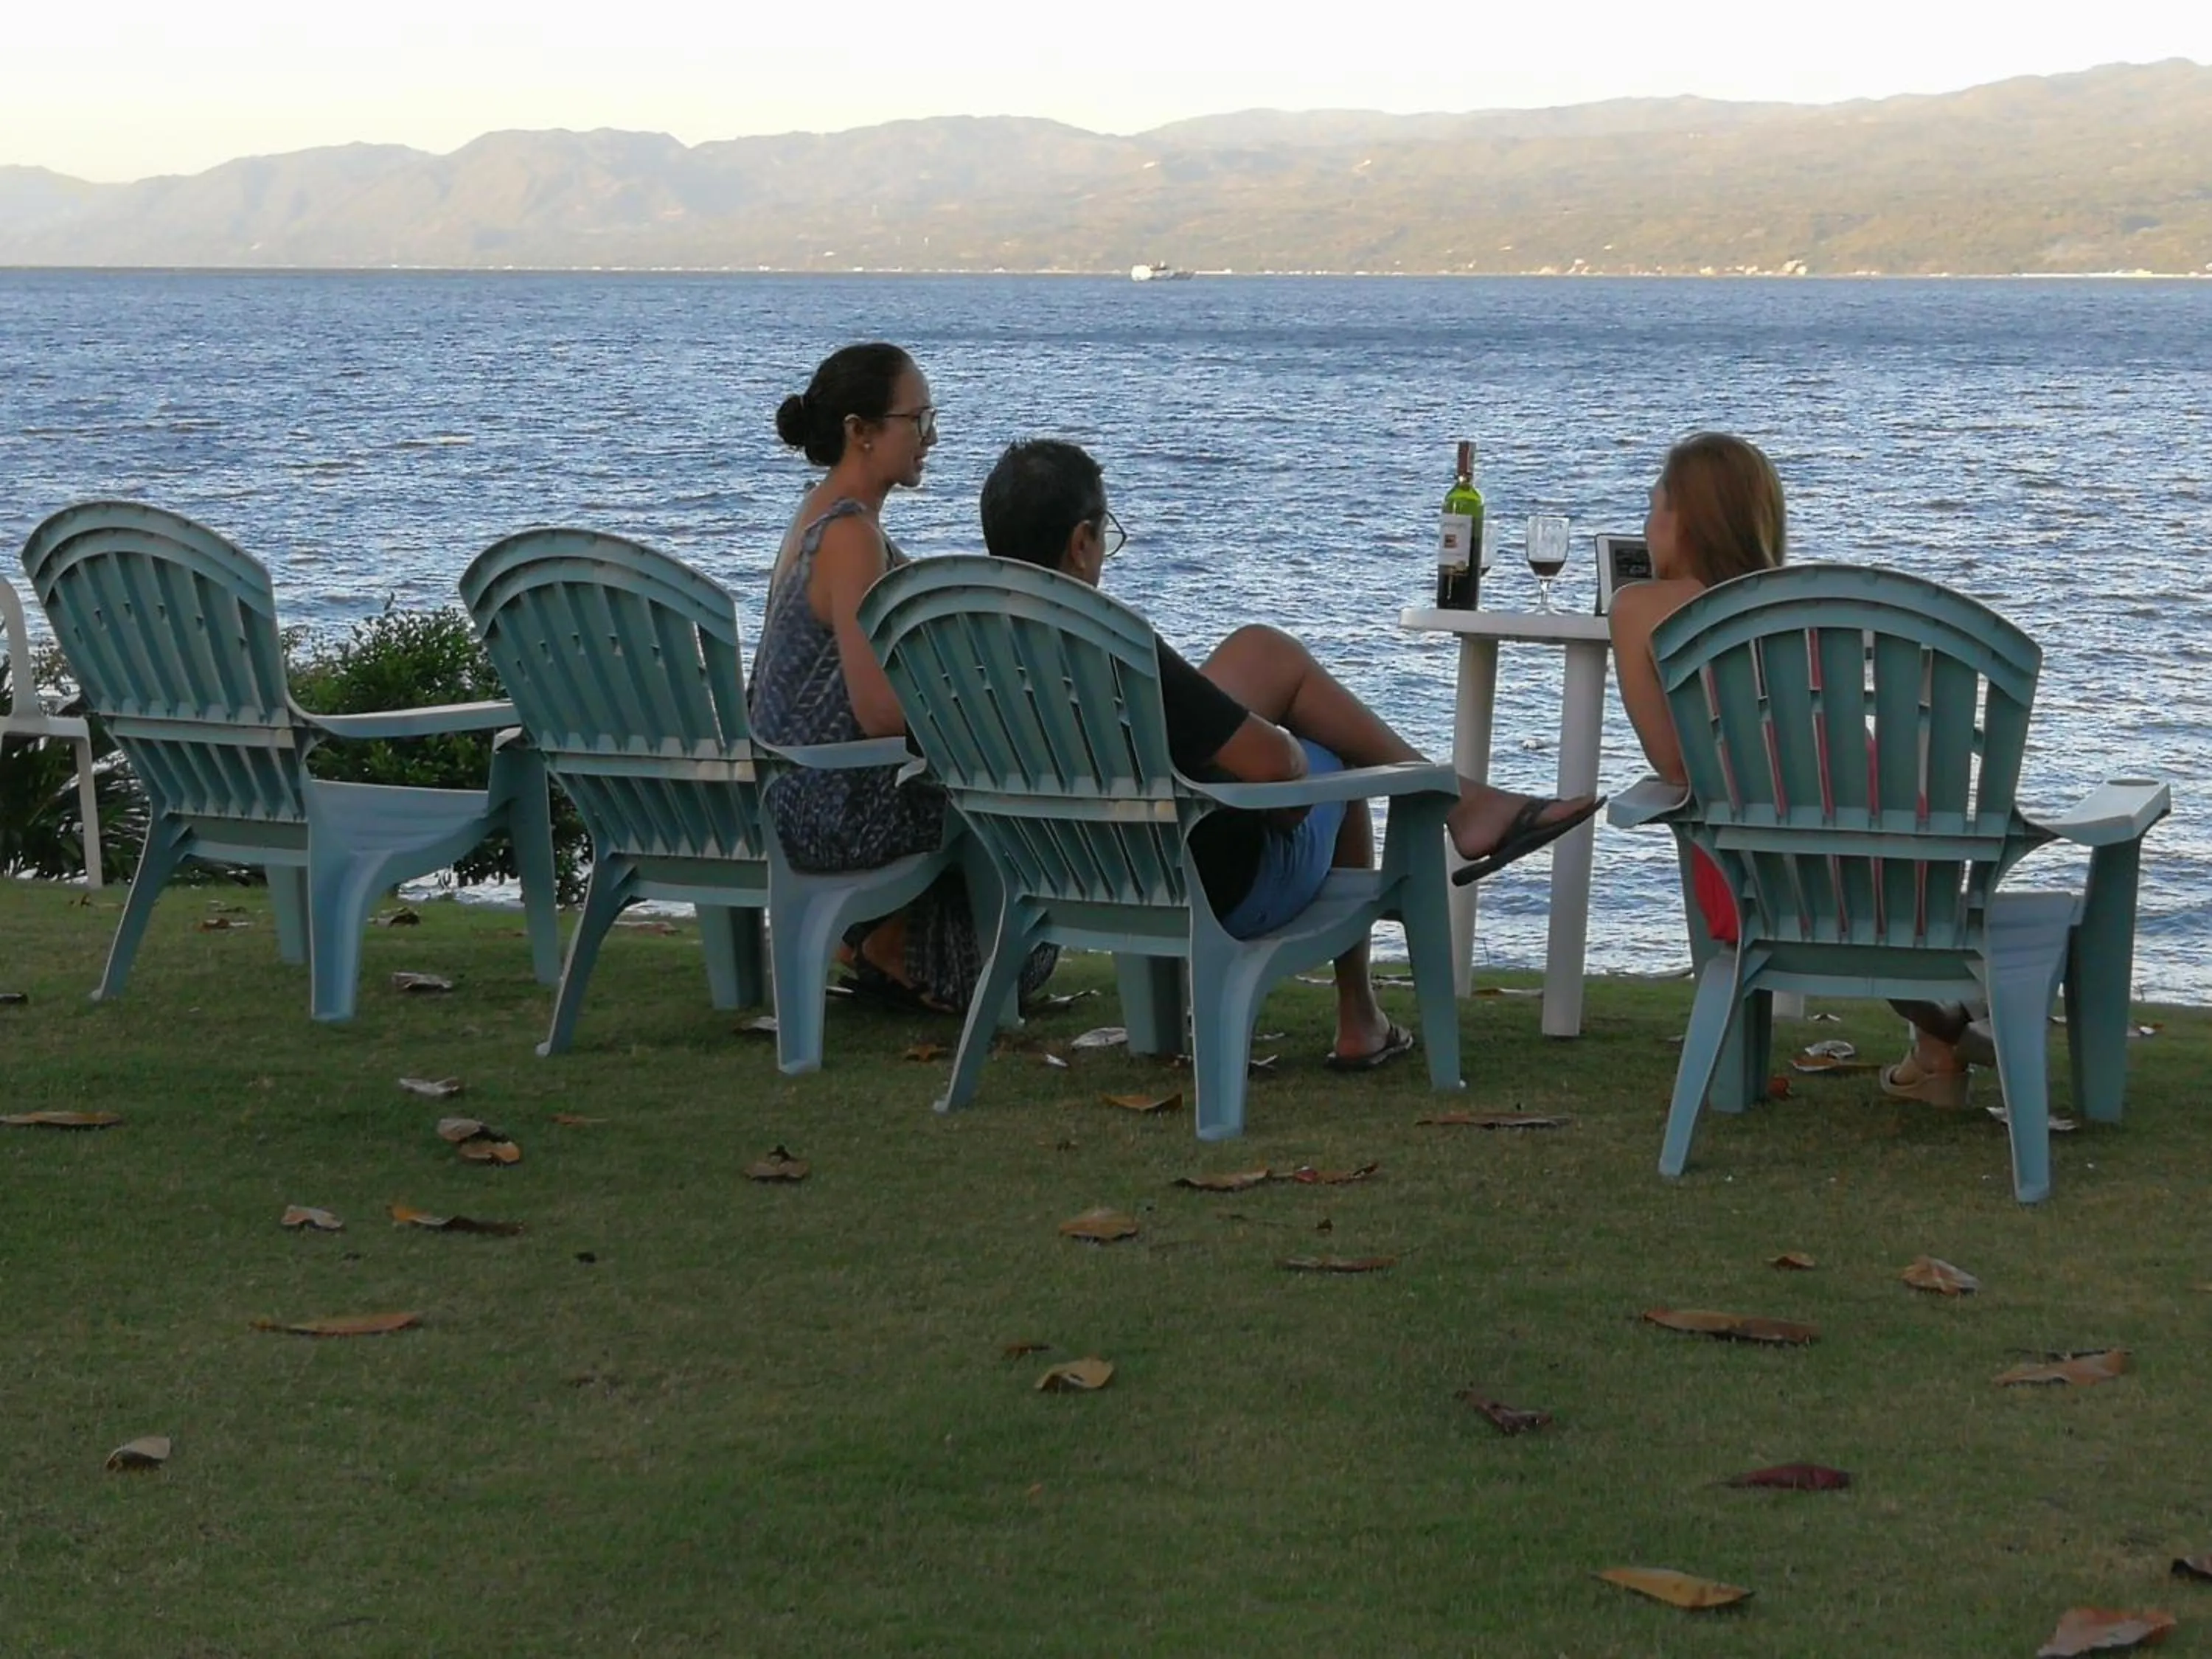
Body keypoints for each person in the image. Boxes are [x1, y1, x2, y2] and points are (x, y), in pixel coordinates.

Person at [978, 439, 1601, 1069]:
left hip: (1060, 876)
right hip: (1209, 889)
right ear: (1082, 544)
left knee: (1261, 652)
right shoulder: (1113, 649)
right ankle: (1363, 1006)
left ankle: (1465, 801)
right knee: (1335, 744)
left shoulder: (966, 650)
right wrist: (1284, 752)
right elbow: (1277, 770)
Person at [1608, 431, 1987, 1107]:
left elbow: (1672, 764)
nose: (1647, 523)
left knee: (1798, 883)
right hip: (1899, 859)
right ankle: (1942, 1042)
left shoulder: (1639, 609)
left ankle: (1944, 1043)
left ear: (1683, 519)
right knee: (1857, 897)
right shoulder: (1805, 600)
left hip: (1759, 879)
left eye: (1654, 506)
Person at [748, 342, 1056, 1012]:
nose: (932, 437)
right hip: (830, 806)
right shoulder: (850, 537)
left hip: (792, 789)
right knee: (1021, 797)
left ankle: (877, 937)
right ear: (861, 432)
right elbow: (880, 710)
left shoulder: (827, 517)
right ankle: (884, 941)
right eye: (918, 420)